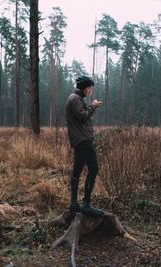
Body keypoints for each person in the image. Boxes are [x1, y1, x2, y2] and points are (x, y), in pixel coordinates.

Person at [66, 75, 104, 216]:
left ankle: (74, 204)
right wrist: (93, 107)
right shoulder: (75, 99)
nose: (90, 91)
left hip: (79, 140)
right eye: (89, 89)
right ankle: (86, 204)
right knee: (93, 169)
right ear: (84, 88)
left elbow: (81, 115)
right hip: (83, 141)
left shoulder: (76, 98)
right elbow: (82, 117)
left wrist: (90, 107)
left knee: (76, 171)